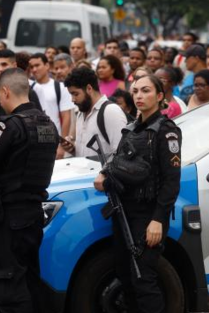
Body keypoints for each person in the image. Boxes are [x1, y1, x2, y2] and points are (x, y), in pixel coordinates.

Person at [0, 68, 58, 312]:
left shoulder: (9, 126)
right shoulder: (48, 124)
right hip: (33, 214)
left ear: (5, 92)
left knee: (9, 285)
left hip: (8, 217)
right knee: (29, 279)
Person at [94, 75, 182, 313]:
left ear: (160, 96)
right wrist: (104, 173)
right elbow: (117, 158)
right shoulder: (131, 128)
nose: (139, 96)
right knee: (125, 275)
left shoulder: (167, 132)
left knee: (144, 278)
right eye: (135, 92)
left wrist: (158, 220)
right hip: (124, 211)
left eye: (146, 91)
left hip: (147, 215)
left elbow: (171, 182)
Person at [63, 67, 127, 159]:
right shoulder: (81, 112)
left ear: (89, 88)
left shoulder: (111, 111)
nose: (72, 99)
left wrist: (104, 173)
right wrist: (73, 149)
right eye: (71, 94)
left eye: (76, 94)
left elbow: (120, 153)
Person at [29, 53, 75, 137]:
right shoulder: (29, 88)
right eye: (31, 67)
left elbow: (66, 117)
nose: (34, 69)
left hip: (55, 138)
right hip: (34, 138)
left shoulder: (60, 87)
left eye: (37, 65)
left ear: (47, 65)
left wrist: (62, 144)